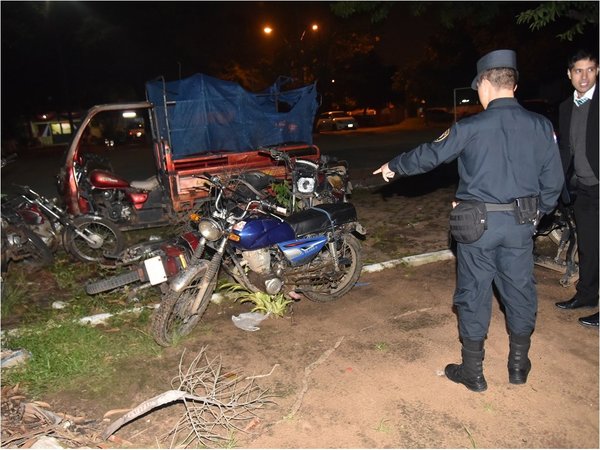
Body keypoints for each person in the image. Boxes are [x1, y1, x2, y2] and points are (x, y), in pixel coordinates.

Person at [373, 49, 564, 392]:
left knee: (474, 292)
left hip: (477, 226)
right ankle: (518, 366)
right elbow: (554, 182)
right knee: (519, 291)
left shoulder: (472, 126)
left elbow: (433, 153)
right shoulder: (541, 126)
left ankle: (473, 372)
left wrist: (395, 165)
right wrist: (535, 215)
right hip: (521, 224)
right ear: (514, 85)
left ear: (486, 84)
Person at [554, 50, 599, 328]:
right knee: (589, 247)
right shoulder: (565, 108)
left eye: (590, 70)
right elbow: (564, 149)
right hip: (584, 189)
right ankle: (586, 296)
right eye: (578, 71)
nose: (584, 76)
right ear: (569, 74)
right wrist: (555, 182)